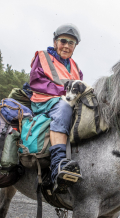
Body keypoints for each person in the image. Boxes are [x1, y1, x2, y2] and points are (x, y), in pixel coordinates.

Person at [29, 24, 83, 193]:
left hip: (65, 100)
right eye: (63, 41)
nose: (67, 46)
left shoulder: (75, 66)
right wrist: (62, 92)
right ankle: (58, 164)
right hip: (44, 99)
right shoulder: (43, 57)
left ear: (75, 47)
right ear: (55, 42)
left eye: (71, 43)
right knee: (65, 107)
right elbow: (36, 81)